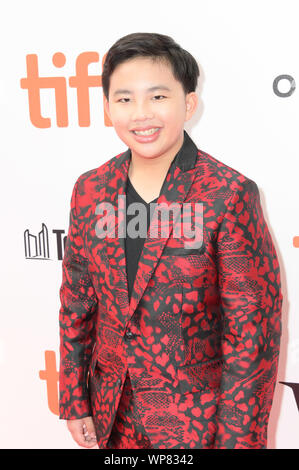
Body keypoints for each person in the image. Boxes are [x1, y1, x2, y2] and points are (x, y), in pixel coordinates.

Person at [58, 32, 283, 449]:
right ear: (108, 108)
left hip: (198, 426)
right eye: (124, 99)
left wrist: (239, 443)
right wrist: (75, 400)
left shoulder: (226, 194)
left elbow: (252, 335)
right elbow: (77, 303)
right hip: (112, 418)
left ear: (189, 104)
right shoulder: (89, 190)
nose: (141, 114)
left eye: (158, 97)